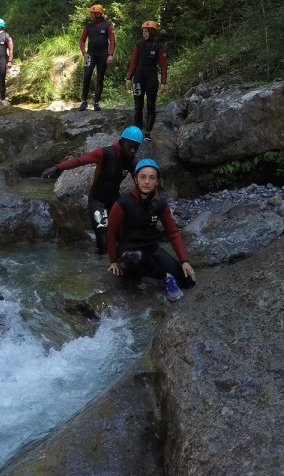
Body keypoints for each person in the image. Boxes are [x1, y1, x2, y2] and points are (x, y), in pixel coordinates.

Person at [41, 125, 142, 255]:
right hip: (97, 200)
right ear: (122, 142)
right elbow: (79, 161)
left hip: (115, 201)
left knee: (123, 237)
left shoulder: (132, 162)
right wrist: (56, 168)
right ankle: (99, 268)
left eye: (136, 147)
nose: (133, 151)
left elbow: (141, 185)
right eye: (130, 146)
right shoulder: (104, 153)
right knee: (103, 243)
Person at [107, 158, 196, 301]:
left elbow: (173, 233)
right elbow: (111, 232)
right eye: (143, 177)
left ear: (157, 181)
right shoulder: (123, 203)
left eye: (151, 178)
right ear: (136, 179)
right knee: (137, 258)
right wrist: (113, 261)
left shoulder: (160, 204)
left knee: (188, 281)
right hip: (128, 252)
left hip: (151, 249)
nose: (147, 181)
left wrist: (184, 261)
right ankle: (165, 278)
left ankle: (167, 275)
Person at [125, 20, 168, 141]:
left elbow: (163, 65)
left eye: (147, 31)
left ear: (152, 32)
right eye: (143, 31)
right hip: (138, 79)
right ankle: (138, 131)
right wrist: (128, 78)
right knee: (138, 106)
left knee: (150, 105)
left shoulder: (159, 47)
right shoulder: (138, 45)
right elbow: (133, 63)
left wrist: (163, 82)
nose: (144, 34)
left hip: (152, 80)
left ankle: (148, 133)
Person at [78, 4, 116, 111]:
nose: (90, 15)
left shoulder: (107, 25)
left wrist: (111, 54)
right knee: (86, 76)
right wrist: (84, 53)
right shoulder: (88, 26)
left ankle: (97, 102)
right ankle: (84, 101)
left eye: (92, 13)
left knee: (100, 78)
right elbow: (81, 40)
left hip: (103, 56)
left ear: (98, 14)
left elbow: (112, 40)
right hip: (90, 55)